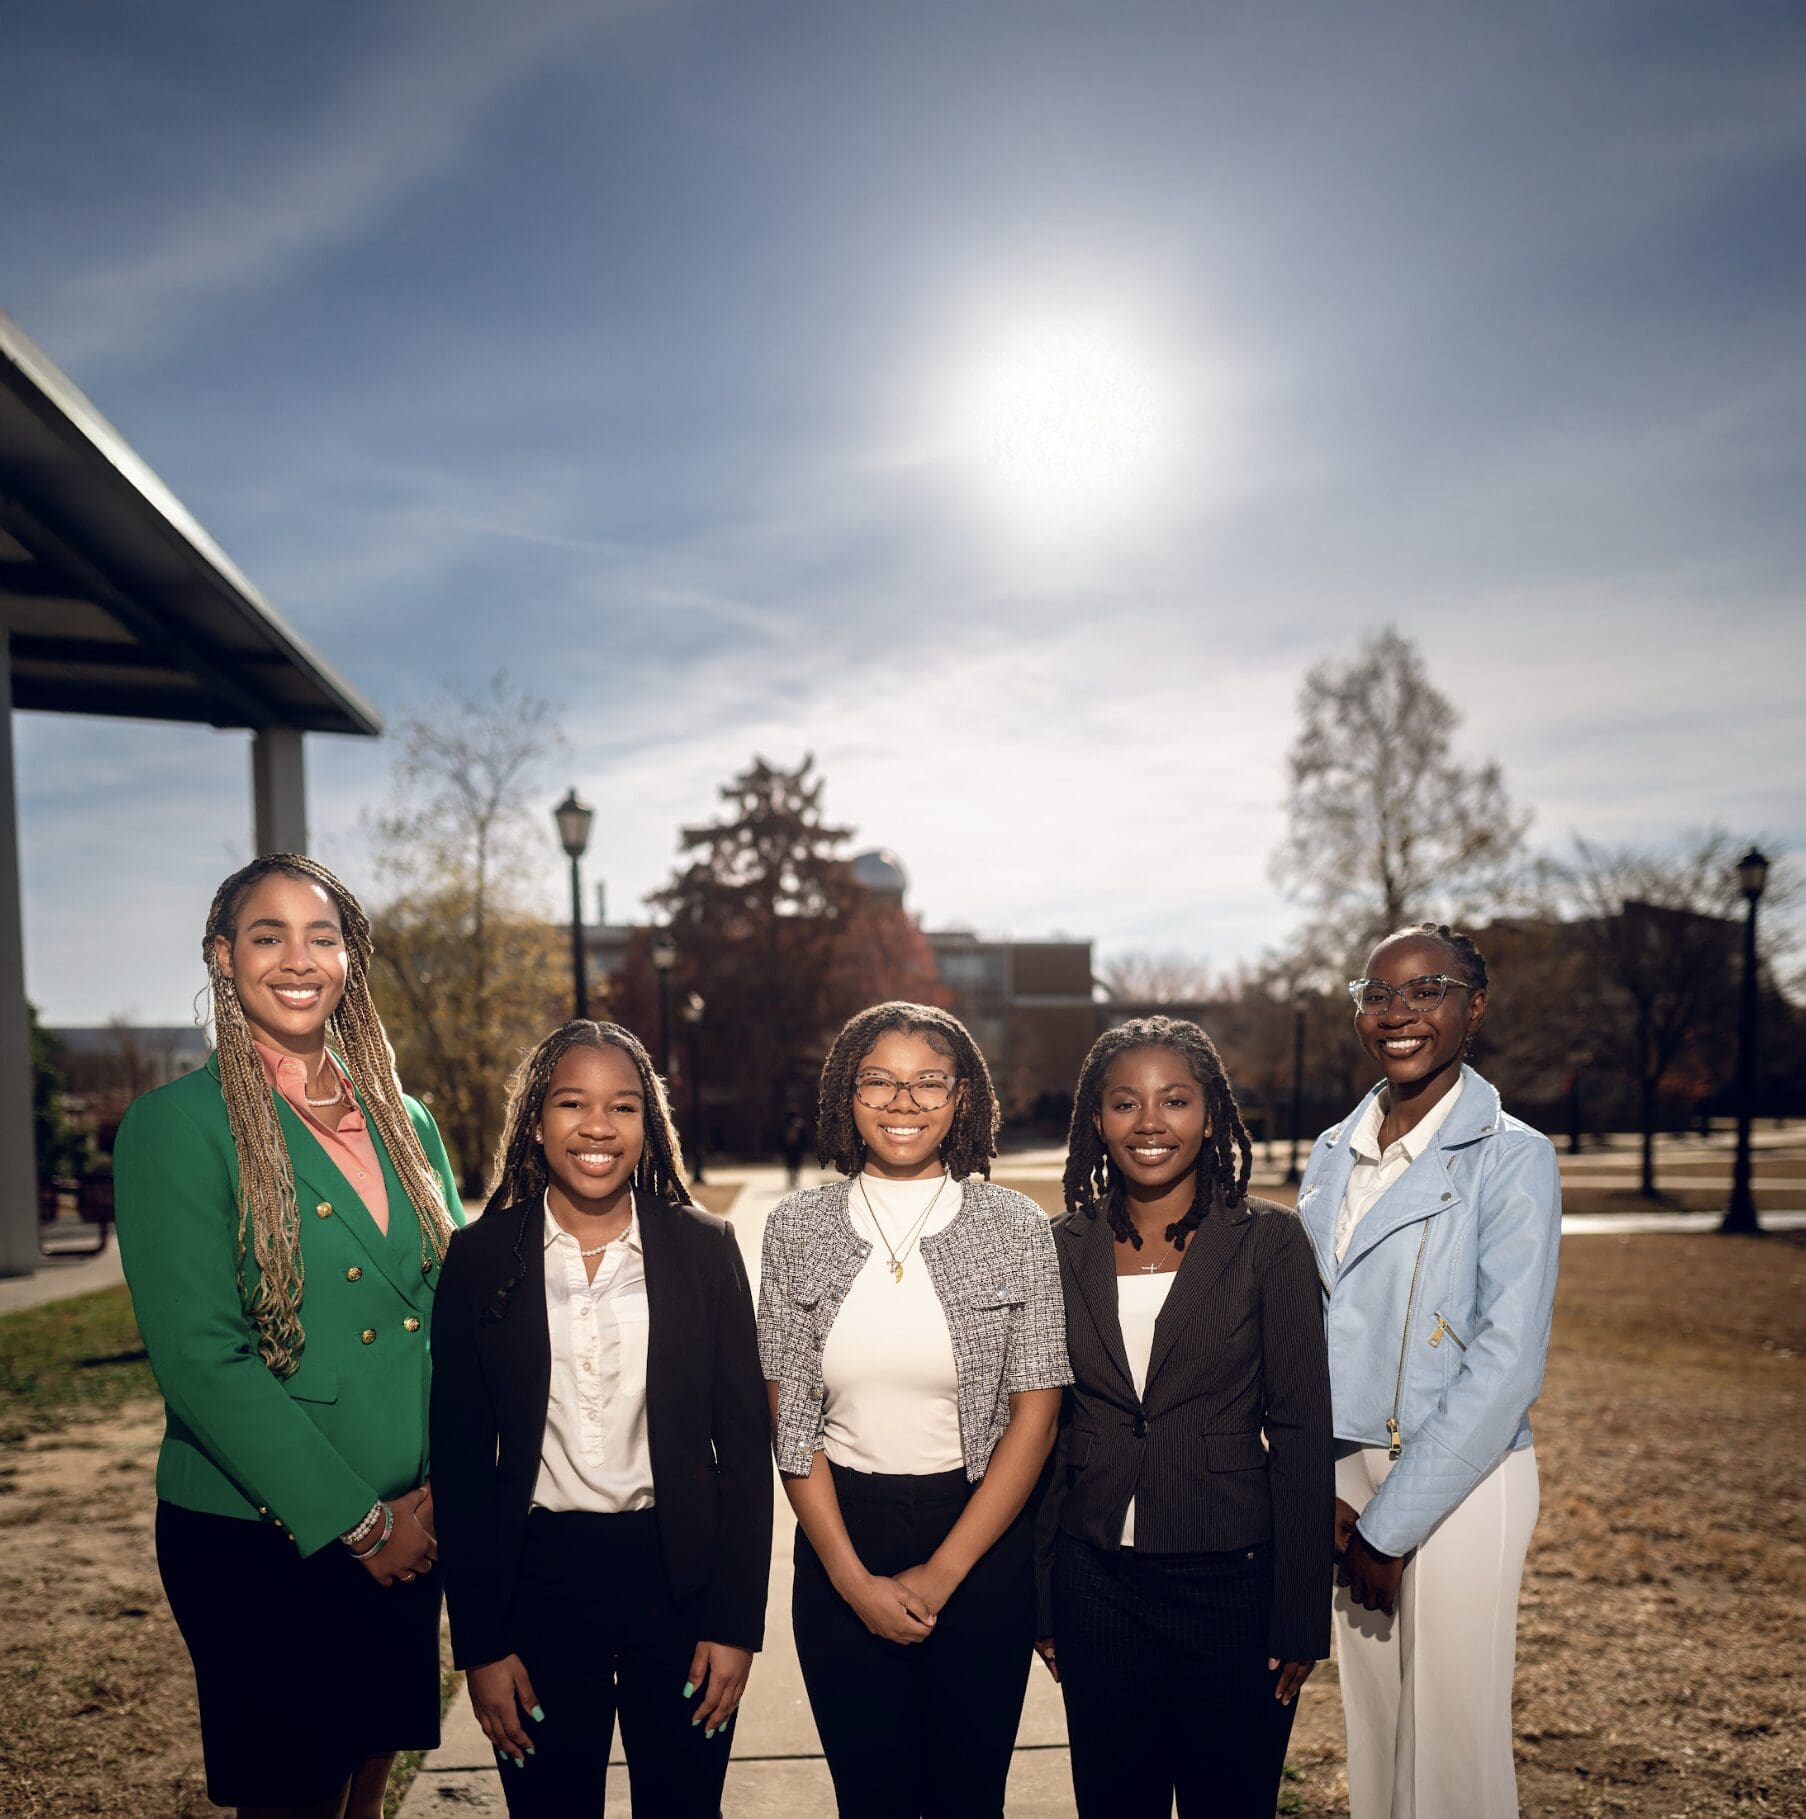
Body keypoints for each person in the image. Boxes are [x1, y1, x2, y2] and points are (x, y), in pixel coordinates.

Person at [112, 854, 463, 1819]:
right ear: (223, 958)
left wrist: (436, 1490)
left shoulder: (408, 1121)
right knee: (294, 1798)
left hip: (415, 1516)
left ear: (349, 959)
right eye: (267, 935)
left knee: (364, 1785)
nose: (297, 958)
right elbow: (199, 1362)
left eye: (323, 936)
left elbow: (449, 1311)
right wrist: (361, 1523)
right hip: (270, 1530)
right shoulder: (176, 1125)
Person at [430, 1020, 771, 1817]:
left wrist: (736, 1623)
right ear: (537, 1121)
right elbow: (459, 1461)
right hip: (538, 1586)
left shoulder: (704, 1248)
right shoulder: (479, 1258)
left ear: (647, 1126)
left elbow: (746, 1453)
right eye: (572, 1102)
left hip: (678, 1585)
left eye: (622, 1107)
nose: (596, 1127)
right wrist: (480, 1644)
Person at [758, 1001, 1071, 1819]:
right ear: (845, 1095)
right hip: (842, 1534)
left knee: (971, 1799)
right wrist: (852, 1580)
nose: (904, 1102)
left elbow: (1034, 1417)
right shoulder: (796, 1227)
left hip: (979, 1537)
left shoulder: (1016, 1226)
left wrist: (943, 1570)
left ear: (963, 1096)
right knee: (872, 1799)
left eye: (929, 1081)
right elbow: (789, 1420)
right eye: (880, 1081)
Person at [1032, 1017, 1332, 1818]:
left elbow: (1302, 1427)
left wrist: (1302, 1609)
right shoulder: (1060, 1245)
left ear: (1210, 1113)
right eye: (1126, 1102)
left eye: (1175, 1099)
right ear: (1096, 1120)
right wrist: (1044, 1596)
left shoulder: (1269, 1241)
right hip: (1096, 1583)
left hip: (1233, 1580)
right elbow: (1041, 1430)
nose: (1151, 1121)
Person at [1295, 922, 1561, 1819]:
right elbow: (1306, 1330)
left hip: (1459, 1479)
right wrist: (1311, 1479)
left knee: (1451, 1743)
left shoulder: (1513, 1155)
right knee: (1376, 1732)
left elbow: (1507, 1359)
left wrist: (1391, 1525)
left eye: (1426, 989)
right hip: (1342, 1477)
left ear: (1472, 1005)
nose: (1397, 1012)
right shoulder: (1333, 1151)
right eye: (1377, 993)